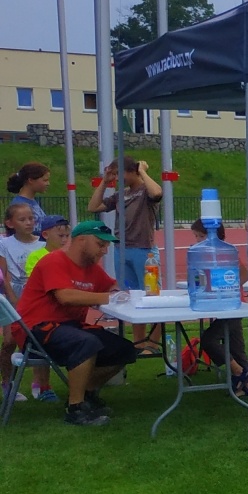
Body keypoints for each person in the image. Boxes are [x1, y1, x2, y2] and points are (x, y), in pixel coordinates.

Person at [17, 219, 140, 427]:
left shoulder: (91, 267)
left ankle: (87, 393)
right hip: (36, 328)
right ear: (82, 240)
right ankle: (75, 408)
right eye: (100, 244)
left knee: (124, 349)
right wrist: (110, 298)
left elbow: (111, 287)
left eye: (106, 245)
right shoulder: (54, 261)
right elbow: (65, 296)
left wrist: (115, 293)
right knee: (86, 343)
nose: (105, 251)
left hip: (68, 325)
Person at [88, 157, 163, 356]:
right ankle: (139, 342)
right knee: (132, 298)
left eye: (118, 173)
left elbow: (157, 193)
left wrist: (143, 171)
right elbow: (93, 207)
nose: (117, 178)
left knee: (152, 297)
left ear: (132, 171)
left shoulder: (145, 191)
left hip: (143, 250)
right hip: (122, 250)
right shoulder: (122, 194)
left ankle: (153, 344)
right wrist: (105, 181)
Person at [0, 202, 54, 403]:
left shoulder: (42, 245)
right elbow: (3, 274)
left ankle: (41, 383)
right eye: (22, 219)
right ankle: (7, 382)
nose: (29, 223)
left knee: (41, 338)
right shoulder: (4, 244)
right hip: (13, 294)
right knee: (9, 342)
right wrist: (13, 299)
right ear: (10, 223)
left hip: (37, 296)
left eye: (31, 218)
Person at [189, 219, 248, 395]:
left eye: (201, 236)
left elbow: (244, 275)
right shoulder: (202, 255)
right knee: (237, 345)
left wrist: (227, 288)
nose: (198, 240)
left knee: (209, 339)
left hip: (232, 305)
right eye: (196, 236)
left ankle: (238, 371)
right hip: (219, 304)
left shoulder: (224, 252)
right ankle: (246, 384)